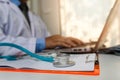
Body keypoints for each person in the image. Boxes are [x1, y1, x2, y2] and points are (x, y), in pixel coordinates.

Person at [0, 0, 84, 57]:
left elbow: (49, 41)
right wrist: (41, 43)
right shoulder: (2, 8)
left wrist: (63, 43)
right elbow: (2, 44)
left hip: (36, 69)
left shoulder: (34, 16)